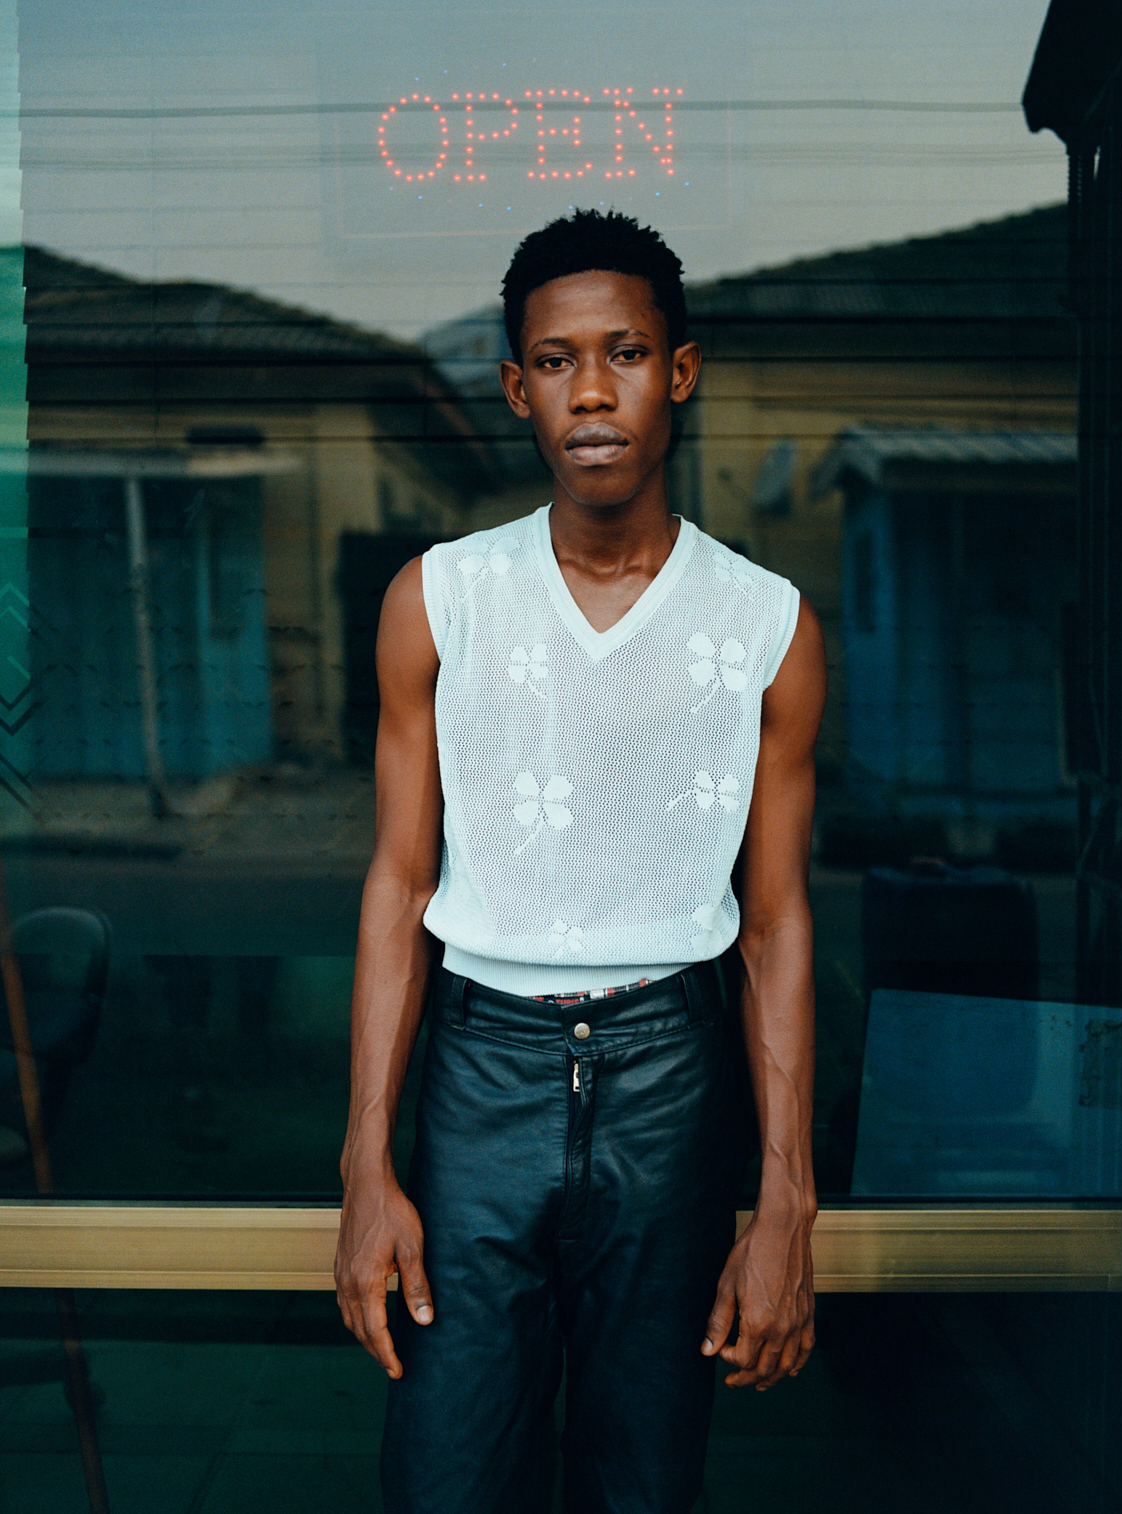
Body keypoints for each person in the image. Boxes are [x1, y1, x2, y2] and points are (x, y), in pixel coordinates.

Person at [335, 208, 826, 1514]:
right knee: (446, 1472)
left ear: (681, 369)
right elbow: (397, 883)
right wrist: (363, 1166)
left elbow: (776, 925)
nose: (592, 389)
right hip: (479, 1067)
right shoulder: (437, 599)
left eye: (624, 351)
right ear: (516, 388)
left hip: (674, 1072)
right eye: (556, 360)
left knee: (642, 1478)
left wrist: (786, 1207)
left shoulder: (768, 625)